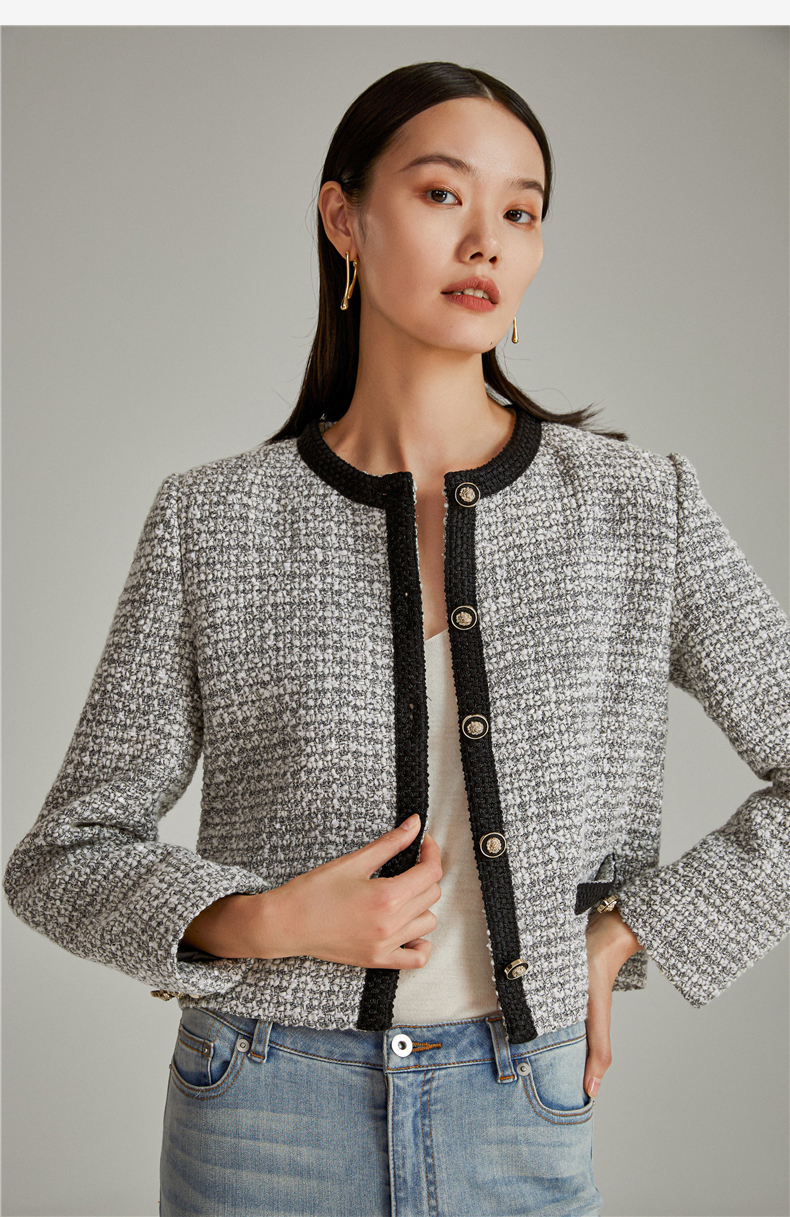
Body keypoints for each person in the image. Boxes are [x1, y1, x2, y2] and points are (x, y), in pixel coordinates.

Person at [4, 60, 789, 1217]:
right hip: (260, 1106)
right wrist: (266, 917)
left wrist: (628, 932)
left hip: (519, 1105)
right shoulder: (211, 519)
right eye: (440, 194)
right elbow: (61, 856)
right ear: (345, 219)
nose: (485, 241)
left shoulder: (635, 507)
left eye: (519, 212)